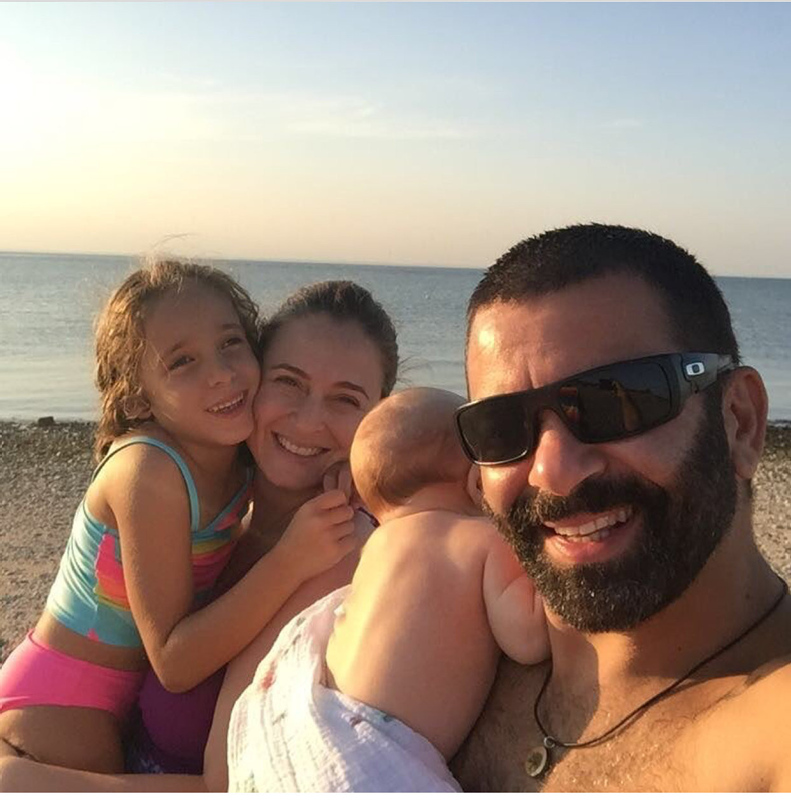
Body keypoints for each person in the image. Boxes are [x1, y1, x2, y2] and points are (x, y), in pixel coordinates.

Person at [0, 278, 401, 791]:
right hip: (54, 715)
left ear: (380, 416)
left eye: (345, 399)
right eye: (288, 382)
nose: (307, 420)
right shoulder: (213, 485)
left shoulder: (337, 550)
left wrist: (22, 782)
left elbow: (233, 784)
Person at [447, 223, 791, 791]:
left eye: (617, 401)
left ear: (740, 421)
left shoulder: (771, 730)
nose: (552, 471)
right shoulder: (452, 643)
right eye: (501, 425)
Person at [227, 386, 549, 792]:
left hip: (315, 727)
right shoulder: (481, 539)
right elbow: (527, 639)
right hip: (369, 759)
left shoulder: (376, 544)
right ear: (476, 481)